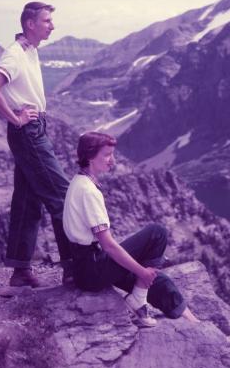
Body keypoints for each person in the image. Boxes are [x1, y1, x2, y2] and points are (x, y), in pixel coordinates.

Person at [63, 132, 198, 326]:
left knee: (160, 281)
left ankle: (196, 324)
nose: (112, 160)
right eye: (107, 155)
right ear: (90, 156)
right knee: (157, 233)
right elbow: (108, 246)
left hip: (86, 267)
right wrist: (142, 272)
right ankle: (139, 298)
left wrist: (144, 272)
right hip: (92, 269)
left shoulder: (79, 182)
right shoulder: (88, 191)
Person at [0, 1, 72, 287]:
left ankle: (20, 271)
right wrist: (16, 118)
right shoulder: (14, 55)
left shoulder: (29, 51)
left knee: (27, 200)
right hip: (28, 132)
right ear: (30, 24)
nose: (52, 26)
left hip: (31, 130)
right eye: (47, 21)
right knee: (62, 196)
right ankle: (75, 268)